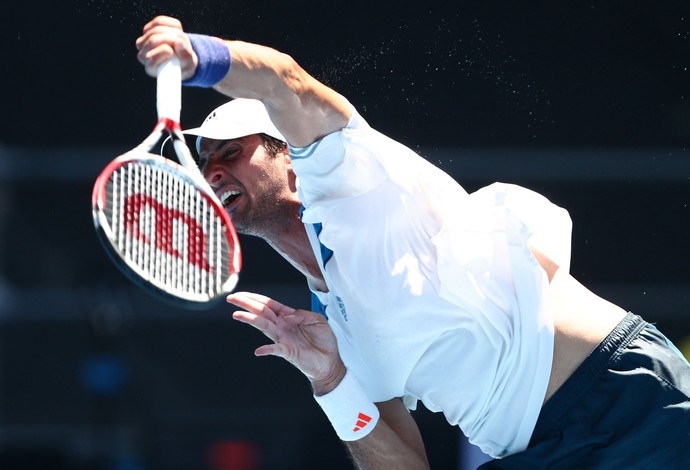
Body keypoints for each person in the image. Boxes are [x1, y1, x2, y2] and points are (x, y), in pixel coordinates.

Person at [135, 16, 690, 469]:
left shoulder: (347, 178)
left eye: (231, 152)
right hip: (532, 456)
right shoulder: (328, 325)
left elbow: (288, 84)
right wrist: (331, 383)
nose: (212, 172)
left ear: (292, 159)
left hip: (624, 397)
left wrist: (199, 58)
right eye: (204, 162)